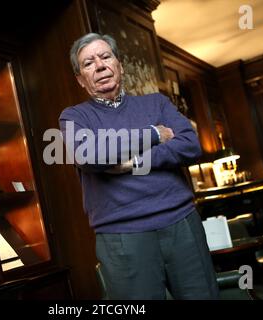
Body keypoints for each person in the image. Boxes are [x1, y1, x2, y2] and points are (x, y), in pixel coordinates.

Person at [59, 32, 219, 300]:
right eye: (88, 63)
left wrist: (136, 161)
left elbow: (191, 144)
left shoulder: (156, 102)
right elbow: (90, 155)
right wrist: (154, 135)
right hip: (122, 237)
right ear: (80, 79)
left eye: (105, 56)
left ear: (119, 65)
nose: (99, 65)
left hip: (182, 224)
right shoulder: (75, 117)